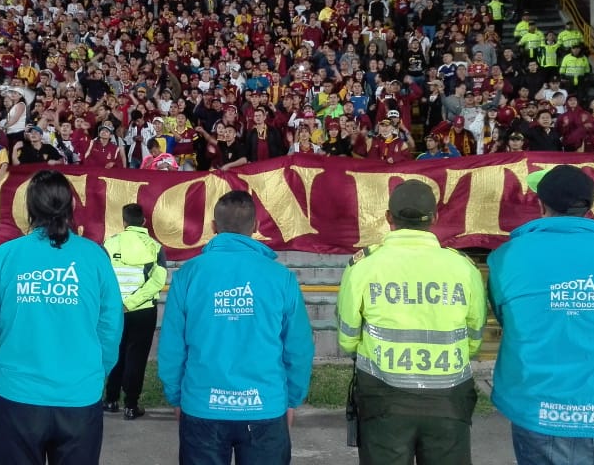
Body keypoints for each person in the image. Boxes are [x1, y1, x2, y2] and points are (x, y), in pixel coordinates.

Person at [0, 170, 123, 465]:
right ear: (72, 207)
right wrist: (95, 372)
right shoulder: (94, 256)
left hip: (17, 397)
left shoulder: (5, 256)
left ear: (28, 210)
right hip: (77, 396)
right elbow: (111, 327)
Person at [489, 165, 594, 465]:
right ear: (589, 206)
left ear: (540, 204)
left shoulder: (507, 256)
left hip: (536, 407)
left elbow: (508, 319)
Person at [158, 190, 314, 465]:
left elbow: (171, 347)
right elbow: (299, 348)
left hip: (203, 405)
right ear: (256, 227)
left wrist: (176, 397)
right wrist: (291, 399)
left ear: (214, 227)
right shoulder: (281, 278)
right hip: (264, 406)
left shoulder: (188, 275)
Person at [337, 180, 486, 465]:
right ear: (435, 218)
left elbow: (347, 338)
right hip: (449, 399)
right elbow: (474, 338)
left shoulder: (364, 266)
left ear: (388, 218)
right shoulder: (463, 267)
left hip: (383, 399)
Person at [102, 204, 167, 421]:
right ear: (144, 222)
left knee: (115, 353)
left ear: (124, 222)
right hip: (143, 311)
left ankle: (110, 400)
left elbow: (102, 278)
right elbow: (158, 280)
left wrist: (120, 304)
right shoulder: (155, 247)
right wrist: (133, 302)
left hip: (115, 311)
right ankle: (131, 406)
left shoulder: (109, 244)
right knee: (136, 358)